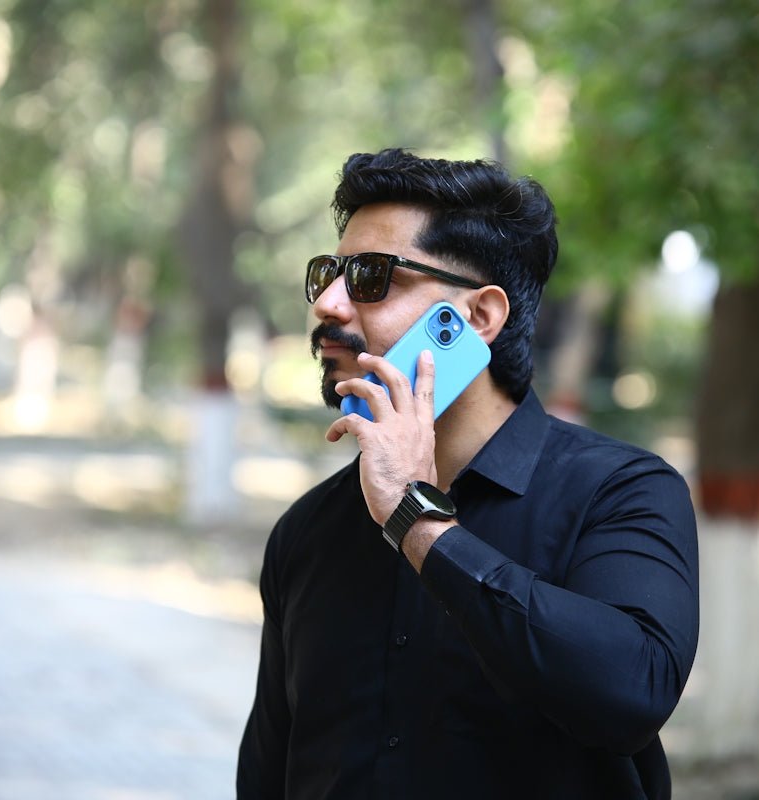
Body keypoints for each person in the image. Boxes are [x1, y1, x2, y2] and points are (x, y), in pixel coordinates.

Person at [237, 149, 699, 799]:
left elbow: (632, 693)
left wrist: (418, 521)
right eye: (329, 275)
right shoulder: (308, 529)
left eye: (371, 277)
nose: (329, 305)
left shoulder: (620, 493)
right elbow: (267, 777)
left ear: (477, 318)